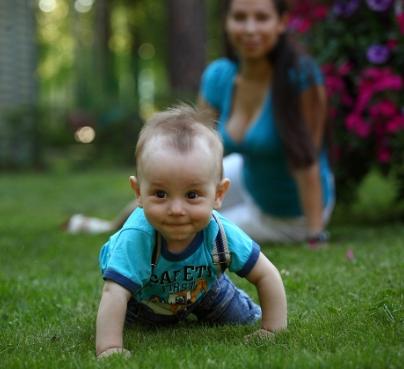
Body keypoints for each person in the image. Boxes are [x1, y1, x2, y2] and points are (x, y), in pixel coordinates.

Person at [64, 0, 334, 246]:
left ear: (281, 23)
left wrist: (315, 233)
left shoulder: (301, 77)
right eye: (240, 17)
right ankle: (111, 226)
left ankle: (132, 233)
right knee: (172, 187)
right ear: (227, 22)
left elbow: (307, 160)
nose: (250, 29)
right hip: (250, 174)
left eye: (262, 18)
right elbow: (195, 147)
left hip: (290, 210)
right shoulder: (219, 77)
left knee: (186, 229)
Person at [95, 104, 287, 358]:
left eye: (192, 195)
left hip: (205, 290)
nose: (176, 209)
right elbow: (114, 293)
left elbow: (266, 274)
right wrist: (110, 347)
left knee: (244, 319)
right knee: (134, 324)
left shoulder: (219, 233)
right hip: (142, 300)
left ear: (218, 195)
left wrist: (273, 329)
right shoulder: (137, 237)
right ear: (139, 193)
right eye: (160, 194)